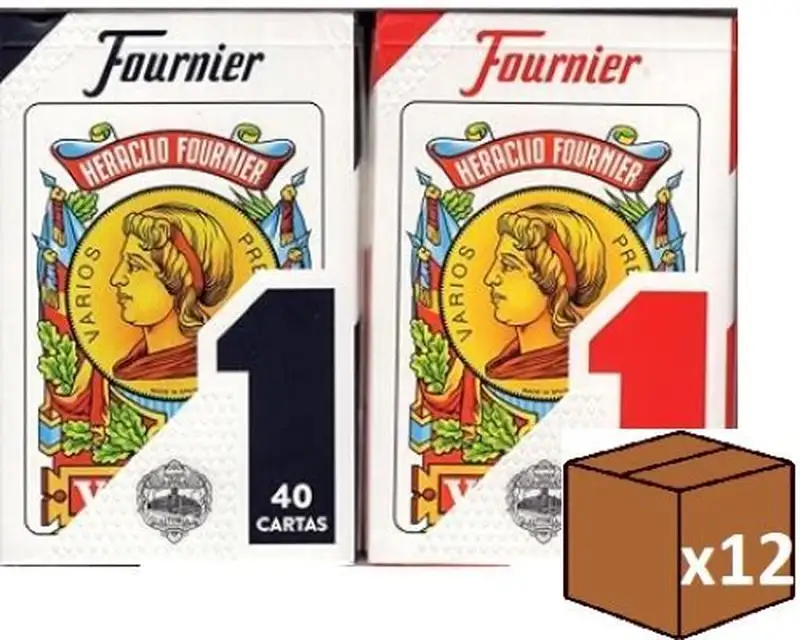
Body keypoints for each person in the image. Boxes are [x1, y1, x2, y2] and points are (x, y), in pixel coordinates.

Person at [109, 203, 234, 381]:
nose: (116, 279)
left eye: (135, 265)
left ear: (184, 279)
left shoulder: (213, 364)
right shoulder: (131, 365)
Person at [483, 203, 607, 381]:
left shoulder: (583, 366)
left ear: (556, 280)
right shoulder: (502, 366)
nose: (489, 278)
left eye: (509, 265)